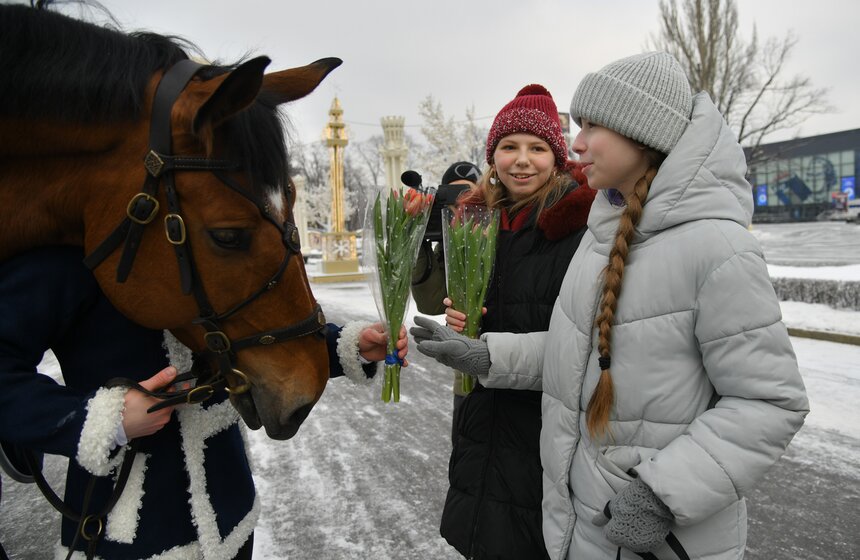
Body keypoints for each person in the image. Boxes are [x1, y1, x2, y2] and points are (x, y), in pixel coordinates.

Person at [413, 52, 809, 559]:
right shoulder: (603, 239)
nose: (576, 145)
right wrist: (488, 355)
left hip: (660, 539)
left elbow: (771, 402)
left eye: (592, 127)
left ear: (641, 134)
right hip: (586, 530)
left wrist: (664, 492)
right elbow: (577, 354)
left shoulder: (718, 248)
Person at [0, 245, 407, 559]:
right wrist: (108, 420)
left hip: (230, 519)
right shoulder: (72, 255)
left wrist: (346, 347)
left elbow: (255, 333)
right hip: (127, 535)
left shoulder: (202, 237)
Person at [415, 85, 595, 559]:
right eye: (509, 146)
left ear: (556, 158)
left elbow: (584, 338)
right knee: (485, 533)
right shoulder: (476, 221)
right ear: (492, 157)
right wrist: (462, 317)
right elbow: (443, 300)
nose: (522, 160)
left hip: (546, 421)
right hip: (481, 414)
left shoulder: (581, 226)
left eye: (537, 148)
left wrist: (489, 349)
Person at [410, 160, 482, 444]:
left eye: (469, 195)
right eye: (452, 196)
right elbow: (431, 304)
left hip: (506, 369)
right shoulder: (445, 239)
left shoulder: (503, 232)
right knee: (465, 450)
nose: (460, 205)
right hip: (464, 378)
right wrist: (417, 240)